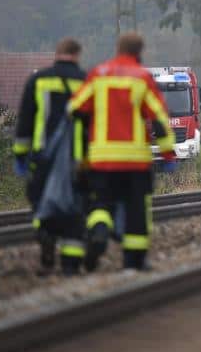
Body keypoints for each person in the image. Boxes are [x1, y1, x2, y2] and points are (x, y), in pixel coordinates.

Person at [67, 32, 176, 272]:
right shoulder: (143, 78)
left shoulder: (98, 74)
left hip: (102, 159)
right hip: (135, 161)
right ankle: (133, 261)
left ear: (117, 48)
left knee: (101, 204)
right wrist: (168, 154)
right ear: (140, 51)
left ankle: (99, 231)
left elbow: (74, 107)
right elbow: (159, 118)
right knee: (137, 209)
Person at [13, 38, 88, 276]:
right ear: (78, 54)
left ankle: (46, 239)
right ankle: (70, 264)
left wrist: (21, 156)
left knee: (42, 201)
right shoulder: (86, 82)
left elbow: (25, 121)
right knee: (75, 209)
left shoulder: (38, 80)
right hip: (78, 160)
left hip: (42, 157)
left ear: (57, 53)